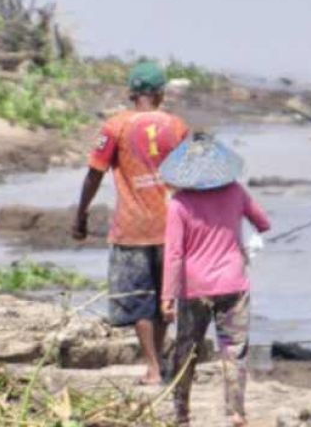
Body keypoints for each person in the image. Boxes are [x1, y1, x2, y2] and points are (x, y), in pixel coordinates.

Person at [72, 60, 190, 385]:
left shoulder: (115, 126)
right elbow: (192, 177)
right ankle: (161, 361)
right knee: (165, 298)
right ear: (161, 94)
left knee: (139, 300)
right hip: (172, 227)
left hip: (132, 228)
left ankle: (153, 366)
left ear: (132, 94)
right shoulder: (177, 127)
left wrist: (81, 213)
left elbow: (94, 174)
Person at [158, 134, 271, 427]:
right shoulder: (236, 192)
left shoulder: (179, 204)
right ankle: (236, 412)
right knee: (234, 350)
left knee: (187, 349)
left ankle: (181, 414)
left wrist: (167, 296)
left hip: (194, 289)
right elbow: (263, 222)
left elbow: (174, 255)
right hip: (233, 284)